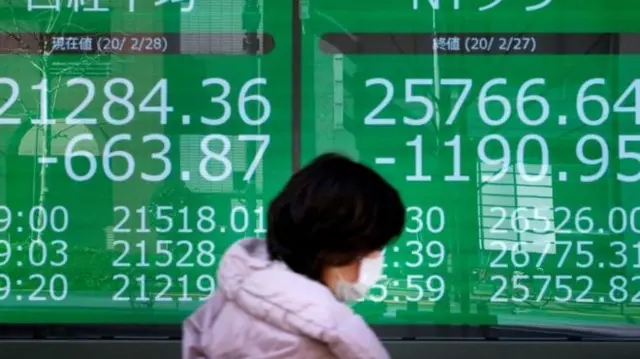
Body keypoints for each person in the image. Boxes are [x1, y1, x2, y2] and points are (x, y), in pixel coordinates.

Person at [183, 153, 406, 359]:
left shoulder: (228, 305)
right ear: (332, 248)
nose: (374, 261)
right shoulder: (317, 340)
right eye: (367, 251)